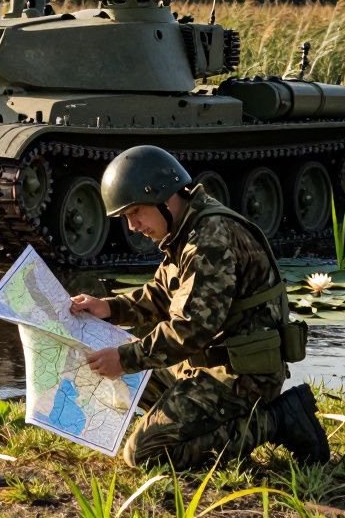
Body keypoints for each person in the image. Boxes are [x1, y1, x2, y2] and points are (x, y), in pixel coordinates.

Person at [68, 145, 329, 469]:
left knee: (143, 454)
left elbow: (191, 327)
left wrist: (124, 358)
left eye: (135, 212)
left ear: (163, 198)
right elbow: (162, 294)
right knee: (131, 378)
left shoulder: (209, 240)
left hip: (243, 375)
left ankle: (278, 419)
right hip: (210, 361)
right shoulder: (186, 228)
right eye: (126, 217)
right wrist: (109, 308)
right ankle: (209, 424)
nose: (133, 226)